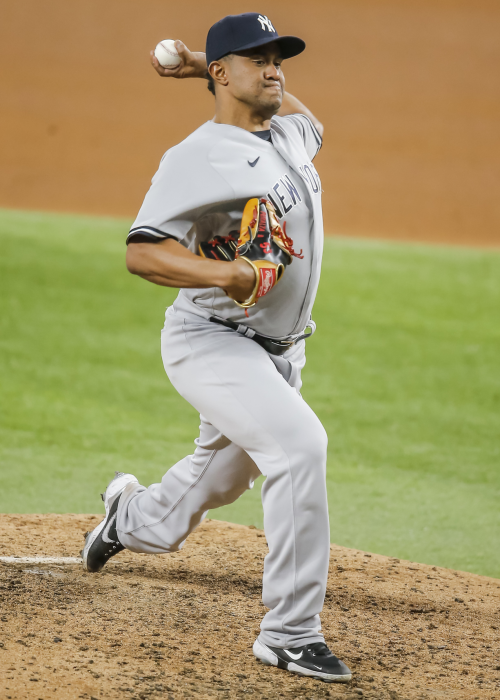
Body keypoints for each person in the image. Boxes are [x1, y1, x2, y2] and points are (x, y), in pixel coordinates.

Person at [82, 12, 352, 684]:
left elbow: (308, 118)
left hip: (280, 353)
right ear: (229, 74)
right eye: (258, 60)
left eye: (278, 59)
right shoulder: (196, 157)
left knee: (219, 481)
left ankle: (127, 519)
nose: (275, 70)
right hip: (212, 341)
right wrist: (225, 274)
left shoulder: (285, 134)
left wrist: (203, 66)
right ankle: (290, 633)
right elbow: (142, 252)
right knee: (299, 447)